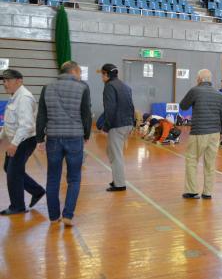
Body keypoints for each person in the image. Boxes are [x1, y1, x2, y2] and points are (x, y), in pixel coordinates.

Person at [36, 61, 91, 226]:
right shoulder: (83, 88)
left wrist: (39, 138)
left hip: (53, 137)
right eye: (79, 72)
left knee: (53, 178)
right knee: (74, 178)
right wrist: (86, 134)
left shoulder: (47, 87)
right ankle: (68, 215)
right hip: (75, 137)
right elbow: (86, 113)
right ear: (74, 71)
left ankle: (53, 217)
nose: (80, 76)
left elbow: (41, 115)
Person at [0, 69, 45, 215]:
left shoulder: (24, 97)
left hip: (24, 140)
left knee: (13, 172)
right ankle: (37, 191)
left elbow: (26, 125)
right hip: (17, 139)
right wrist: (2, 137)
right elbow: (10, 123)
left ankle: (17, 206)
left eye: (7, 80)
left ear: (19, 80)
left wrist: (14, 144)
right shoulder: (15, 96)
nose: (4, 84)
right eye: (3, 81)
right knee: (10, 168)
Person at [179, 69, 222, 199]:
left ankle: (192, 191)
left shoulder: (195, 90)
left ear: (199, 79)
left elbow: (183, 106)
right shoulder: (218, 94)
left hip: (199, 132)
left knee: (192, 160)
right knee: (210, 164)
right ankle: (207, 192)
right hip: (215, 133)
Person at [100, 63, 135, 192]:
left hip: (117, 125)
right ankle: (117, 178)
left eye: (102, 74)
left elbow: (110, 109)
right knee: (111, 152)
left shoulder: (109, 86)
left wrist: (106, 127)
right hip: (127, 124)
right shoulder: (125, 86)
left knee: (116, 155)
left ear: (106, 74)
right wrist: (133, 123)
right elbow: (132, 106)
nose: (101, 77)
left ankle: (119, 184)